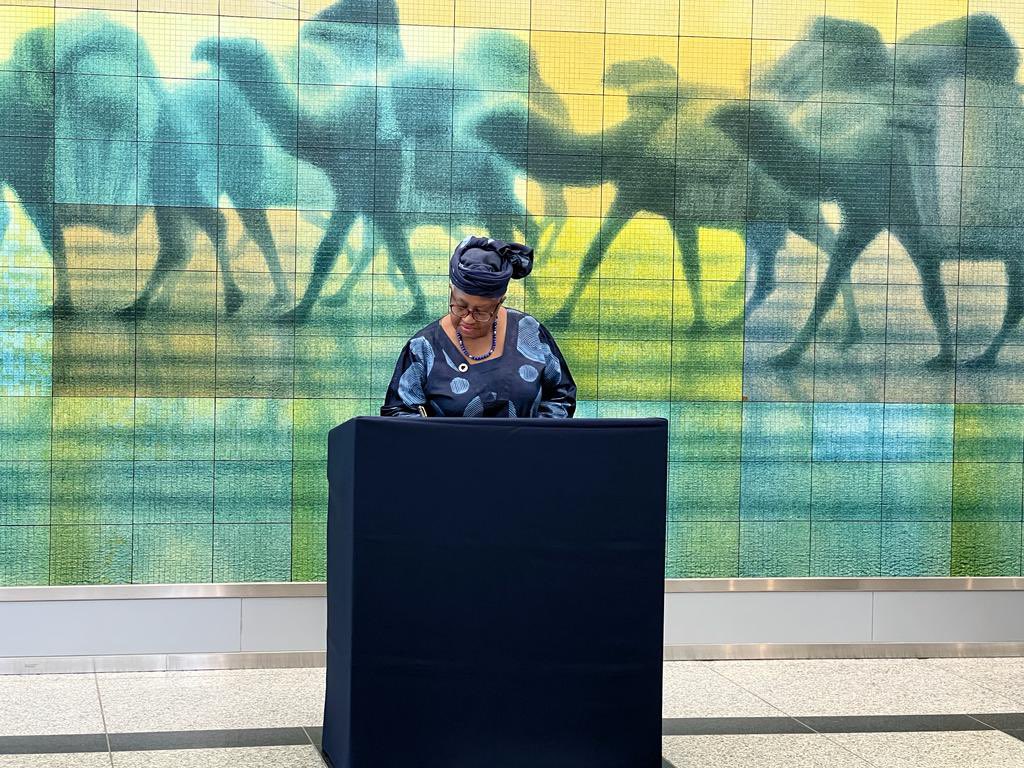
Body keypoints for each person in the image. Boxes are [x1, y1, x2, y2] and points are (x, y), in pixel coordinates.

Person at [381, 235, 576, 418]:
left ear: (500, 302)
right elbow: (398, 413)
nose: (468, 319)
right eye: (460, 306)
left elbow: (561, 395)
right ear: (451, 291)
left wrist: (536, 439)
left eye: (481, 312)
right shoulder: (422, 348)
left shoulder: (529, 331)